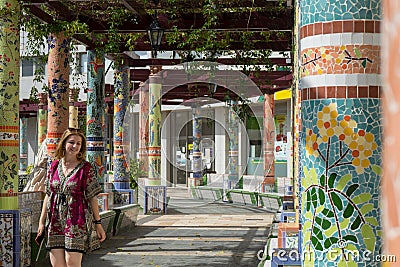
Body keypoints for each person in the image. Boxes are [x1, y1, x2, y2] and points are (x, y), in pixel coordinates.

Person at [37, 128, 106, 267]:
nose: (75, 146)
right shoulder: (54, 166)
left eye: (79, 143)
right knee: (57, 264)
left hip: (76, 220)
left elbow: (92, 197)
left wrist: (98, 224)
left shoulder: (85, 168)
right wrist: (41, 222)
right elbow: (49, 195)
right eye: (71, 142)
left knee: (72, 263)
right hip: (55, 220)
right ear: (64, 143)